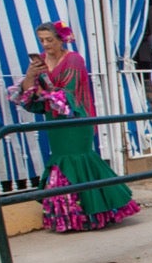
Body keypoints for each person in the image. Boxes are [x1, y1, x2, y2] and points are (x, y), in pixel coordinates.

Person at [8, 20, 141, 233]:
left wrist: (42, 90)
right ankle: (69, 215)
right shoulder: (40, 62)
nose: (45, 45)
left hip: (75, 119)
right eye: (42, 40)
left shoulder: (74, 60)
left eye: (49, 40)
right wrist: (31, 75)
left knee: (78, 159)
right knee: (62, 161)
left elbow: (68, 92)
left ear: (61, 39)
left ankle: (93, 212)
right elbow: (27, 93)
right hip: (54, 120)